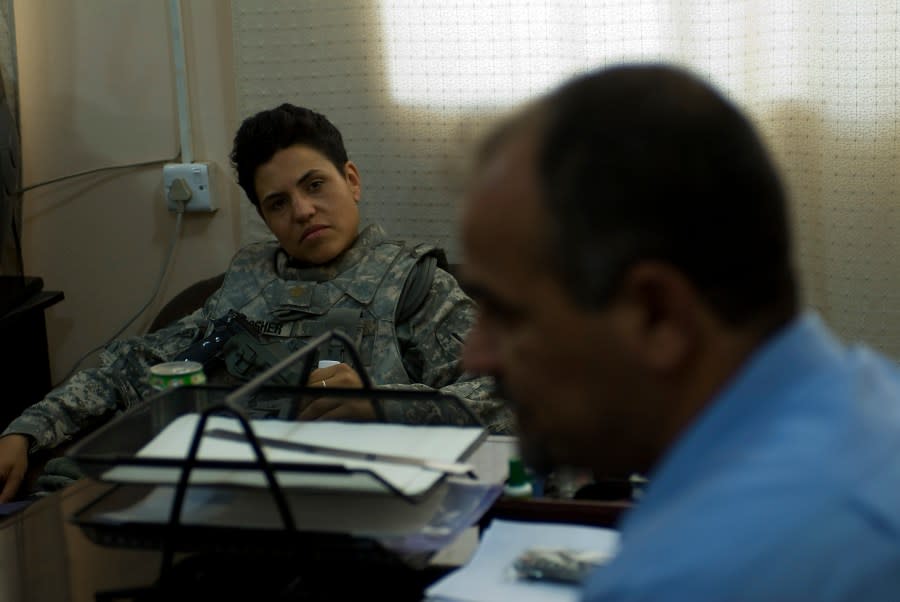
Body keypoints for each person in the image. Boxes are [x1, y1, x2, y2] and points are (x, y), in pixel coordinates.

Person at [460, 64, 900, 600]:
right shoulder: (869, 398)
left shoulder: (690, 576)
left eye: (505, 314)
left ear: (657, 315)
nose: (473, 357)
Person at [0, 103, 509, 502]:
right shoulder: (245, 285)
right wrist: (26, 431)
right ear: (265, 218)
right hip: (211, 495)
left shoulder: (415, 286)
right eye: (278, 203)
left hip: (346, 502)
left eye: (315, 185)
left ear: (351, 181)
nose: (303, 211)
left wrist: (385, 405)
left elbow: (507, 397)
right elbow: (134, 365)